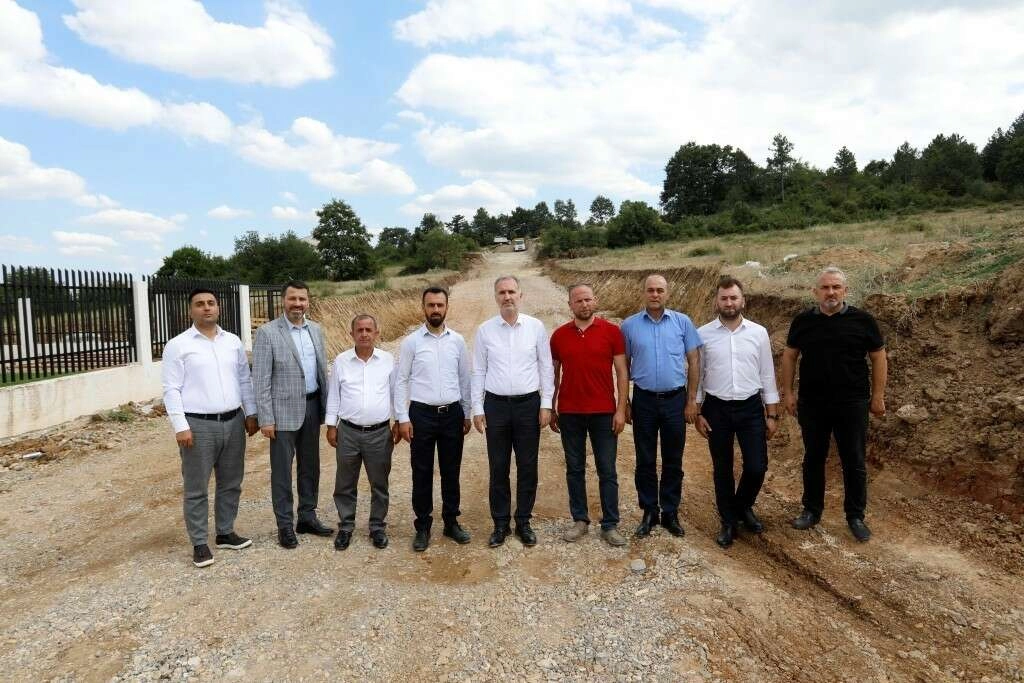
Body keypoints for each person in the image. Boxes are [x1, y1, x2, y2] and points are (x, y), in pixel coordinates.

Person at [781, 266, 887, 542]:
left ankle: (855, 516)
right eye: (825, 287)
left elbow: (878, 357)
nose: (831, 292)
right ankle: (811, 510)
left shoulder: (863, 320)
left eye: (836, 287)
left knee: (854, 459)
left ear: (845, 291)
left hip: (852, 403)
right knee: (813, 458)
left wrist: (877, 396)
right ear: (815, 292)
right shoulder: (803, 321)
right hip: (812, 403)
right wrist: (788, 393)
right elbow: (790, 356)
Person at [161, 288, 259, 568]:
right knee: (197, 487)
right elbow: (171, 388)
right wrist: (180, 425)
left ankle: (225, 532)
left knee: (231, 482)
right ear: (190, 310)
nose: (206, 308)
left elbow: (244, 379)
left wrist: (251, 412)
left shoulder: (233, 342)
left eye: (211, 303)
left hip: (233, 421)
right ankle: (199, 543)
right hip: (198, 425)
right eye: (200, 304)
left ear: (218, 308)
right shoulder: (178, 345)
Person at [695, 276, 780, 548]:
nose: (729, 303)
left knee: (757, 466)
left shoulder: (758, 332)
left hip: (750, 407)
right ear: (716, 301)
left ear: (743, 300)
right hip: (716, 408)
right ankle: (728, 521)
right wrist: (698, 411)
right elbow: (697, 376)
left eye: (734, 297)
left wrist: (772, 413)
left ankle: (742, 505)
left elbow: (767, 373)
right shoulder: (702, 334)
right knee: (722, 468)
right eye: (724, 298)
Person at [472, 275, 554, 548]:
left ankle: (523, 522)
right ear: (495, 297)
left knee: (528, 466)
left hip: (528, 405)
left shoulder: (535, 327)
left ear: (521, 295)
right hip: (495, 405)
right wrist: (477, 407)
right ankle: (500, 523)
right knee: (498, 466)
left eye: (511, 292)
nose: (507, 297)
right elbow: (478, 370)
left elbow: (545, 367)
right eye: (502, 292)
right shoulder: (485, 330)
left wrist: (546, 404)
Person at [621, 274, 702, 538]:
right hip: (643, 400)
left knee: (673, 459)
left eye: (659, 290)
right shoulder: (629, 326)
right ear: (643, 293)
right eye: (650, 290)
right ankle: (648, 511)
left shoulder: (683, 322)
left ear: (667, 293)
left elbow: (694, 361)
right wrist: (626, 402)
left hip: (675, 401)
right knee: (645, 459)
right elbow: (623, 367)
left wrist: (692, 400)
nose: (655, 294)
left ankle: (670, 511)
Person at [252, 280, 331, 549]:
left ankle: (307, 517)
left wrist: (327, 409)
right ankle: (284, 525)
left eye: (302, 299)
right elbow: (260, 379)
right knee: (282, 472)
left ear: (308, 302)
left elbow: (321, 371)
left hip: (312, 406)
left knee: (311, 466)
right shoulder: (267, 333)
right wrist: (266, 418)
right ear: (283, 301)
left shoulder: (316, 330)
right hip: (282, 413)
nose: (298, 304)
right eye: (292, 299)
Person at [550, 283, 630, 547]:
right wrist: (551, 406)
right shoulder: (559, 336)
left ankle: (610, 524)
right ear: (570, 305)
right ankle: (580, 520)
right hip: (570, 412)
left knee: (607, 470)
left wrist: (621, 409)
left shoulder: (612, 332)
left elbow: (622, 373)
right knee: (574, 469)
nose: (584, 304)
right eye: (578, 301)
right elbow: (553, 375)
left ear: (595, 301)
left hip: (604, 412)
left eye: (587, 299)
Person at [394, 287, 473, 551]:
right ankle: (423, 527)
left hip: (452, 414)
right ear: (423, 308)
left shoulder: (457, 341)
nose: (435, 309)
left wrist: (466, 412)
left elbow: (464, 378)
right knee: (422, 472)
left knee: (451, 471)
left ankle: (451, 522)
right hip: (421, 415)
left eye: (440, 305)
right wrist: (402, 418)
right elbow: (401, 380)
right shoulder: (411, 342)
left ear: (447, 307)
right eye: (431, 305)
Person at [325, 314, 399, 551]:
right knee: (345, 482)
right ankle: (346, 526)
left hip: (379, 433)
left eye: (369, 330)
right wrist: (331, 425)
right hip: (348, 432)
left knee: (379, 483)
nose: (364, 334)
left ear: (377, 333)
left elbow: (396, 393)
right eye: (360, 330)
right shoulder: (341, 361)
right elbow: (334, 395)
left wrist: (399, 421)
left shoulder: (387, 360)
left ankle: (377, 527)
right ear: (352, 334)